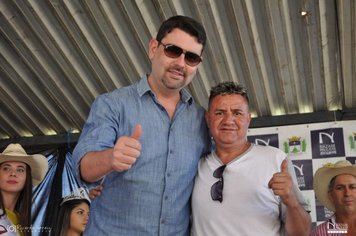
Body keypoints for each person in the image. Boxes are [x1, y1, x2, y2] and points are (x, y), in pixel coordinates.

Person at [72, 15, 211, 235]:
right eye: (173, 50)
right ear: (153, 48)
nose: (181, 64)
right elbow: (83, 169)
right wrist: (110, 158)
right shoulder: (112, 104)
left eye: (192, 57)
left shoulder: (202, 119)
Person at [190, 82, 311, 236]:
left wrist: (291, 201)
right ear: (208, 119)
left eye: (237, 113)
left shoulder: (275, 159)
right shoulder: (196, 165)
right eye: (219, 113)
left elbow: (303, 233)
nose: (228, 120)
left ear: (248, 118)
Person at [0, 143, 48, 236]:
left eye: (20, 170)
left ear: (27, 178)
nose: (13, 173)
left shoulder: (21, 221)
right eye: (6, 168)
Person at [311, 160, 356, 236]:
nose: (347, 193)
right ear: (331, 196)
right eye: (340, 188)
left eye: (353, 187)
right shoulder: (320, 233)